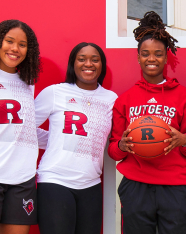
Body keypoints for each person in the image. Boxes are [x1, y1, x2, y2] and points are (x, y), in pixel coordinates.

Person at [108, 11, 186, 234]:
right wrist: (122, 146)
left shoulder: (182, 95)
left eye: (158, 54)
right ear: (138, 57)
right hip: (136, 185)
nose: (151, 59)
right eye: (145, 54)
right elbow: (113, 149)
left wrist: (183, 140)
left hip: (174, 186)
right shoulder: (125, 99)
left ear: (167, 57)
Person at [34, 42, 117, 234]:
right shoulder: (55, 92)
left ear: (102, 65)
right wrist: (57, 140)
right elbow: (26, 128)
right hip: (55, 180)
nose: (88, 63)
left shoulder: (111, 99)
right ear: (73, 63)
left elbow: (114, 138)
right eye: (82, 59)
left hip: (91, 184)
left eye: (94, 60)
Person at [0, 19, 41, 234]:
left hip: (22, 180)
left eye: (22, 44)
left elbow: (24, 130)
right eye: (9, 41)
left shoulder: (27, 83)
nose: (15, 48)